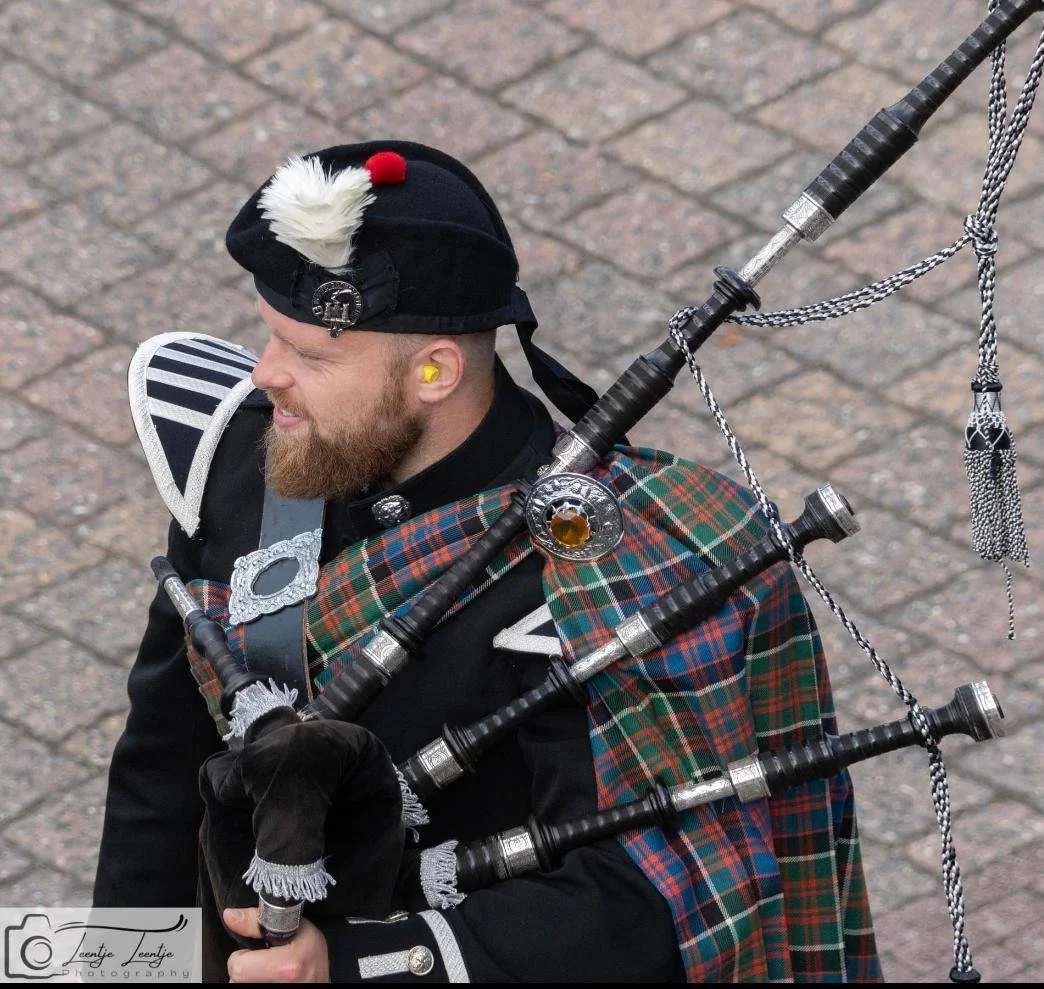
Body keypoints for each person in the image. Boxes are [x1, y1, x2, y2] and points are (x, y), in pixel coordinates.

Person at [94, 140, 882, 983]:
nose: (266, 375)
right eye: (270, 337)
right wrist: (114, 970)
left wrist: (355, 965)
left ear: (434, 370)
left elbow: (640, 902)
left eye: (311, 356)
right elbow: (163, 767)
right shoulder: (246, 459)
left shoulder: (590, 580)